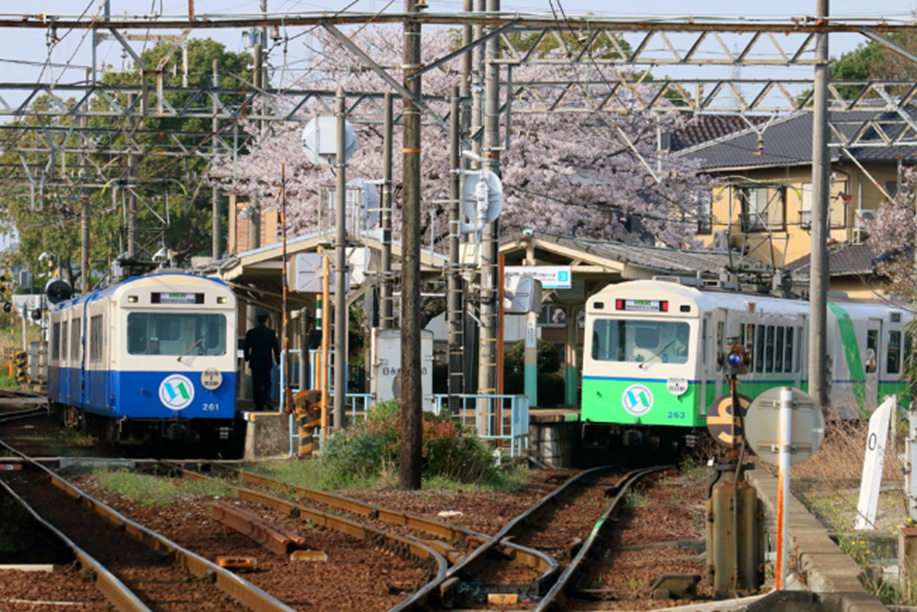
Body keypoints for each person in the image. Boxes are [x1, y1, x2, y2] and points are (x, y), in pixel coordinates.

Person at [244, 311, 280, 411]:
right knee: (267, 382)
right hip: (266, 362)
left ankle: (258, 404)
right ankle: (267, 399)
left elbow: (246, 347)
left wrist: (247, 357)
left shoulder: (251, 333)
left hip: (255, 362)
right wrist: (278, 360)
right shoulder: (271, 333)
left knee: (256, 383)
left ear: (257, 320)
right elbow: (275, 348)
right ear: (267, 320)